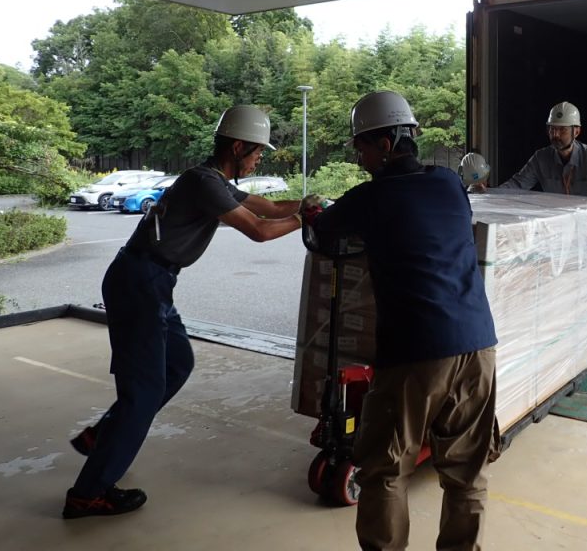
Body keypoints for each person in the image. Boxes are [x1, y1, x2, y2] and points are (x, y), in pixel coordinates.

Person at [62, 104, 307, 519]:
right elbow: (260, 231)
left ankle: (103, 436)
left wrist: (310, 203)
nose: (259, 158)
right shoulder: (203, 182)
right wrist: (306, 217)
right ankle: (89, 492)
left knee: (177, 364)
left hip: (154, 281)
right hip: (140, 281)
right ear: (237, 146)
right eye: (257, 152)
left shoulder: (215, 181)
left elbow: (266, 207)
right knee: (142, 394)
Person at [307, 90, 498, 551]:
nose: (359, 157)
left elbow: (322, 231)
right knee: (467, 473)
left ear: (388, 143)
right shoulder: (449, 183)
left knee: (386, 470)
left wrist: (313, 209)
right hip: (479, 346)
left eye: (363, 147)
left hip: (416, 352)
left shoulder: (368, 198)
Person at [492, 101, 587, 337]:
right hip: (564, 229)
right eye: (551, 129)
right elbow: (518, 185)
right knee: (565, 273)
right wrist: (488, 194)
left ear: (576, 131)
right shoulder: (541, 158)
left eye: (561, 130)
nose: (555, 135)